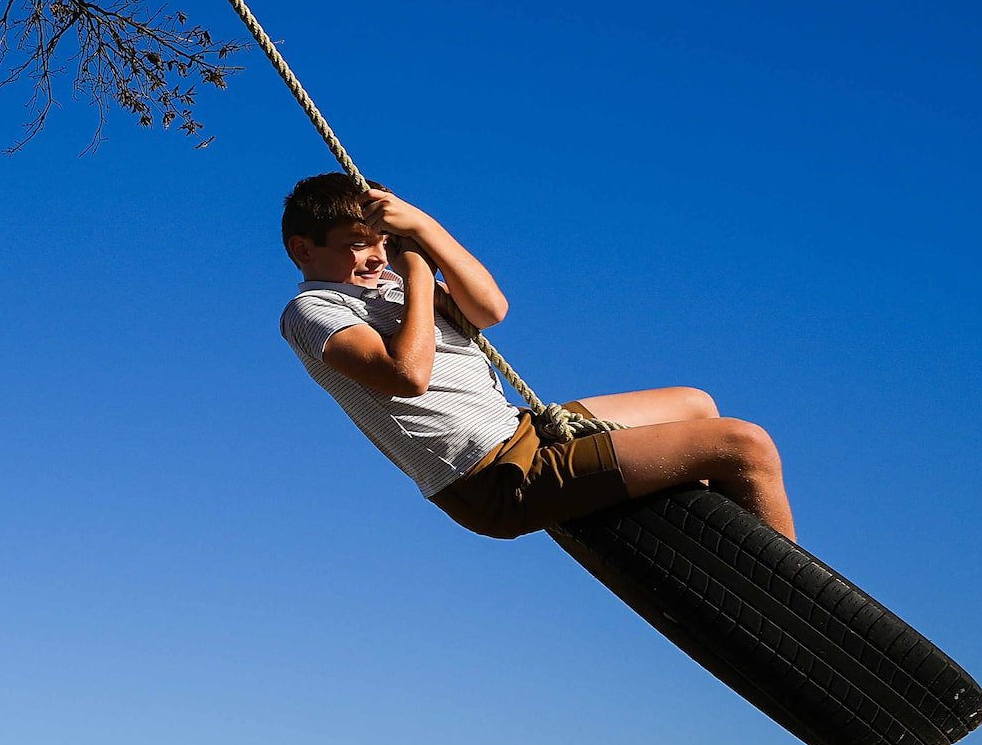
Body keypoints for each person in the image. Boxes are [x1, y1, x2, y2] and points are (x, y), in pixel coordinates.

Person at [278, 173, 795, 540]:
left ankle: (724, 551)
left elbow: (490, 309)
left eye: (383, 243)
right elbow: (407, 376)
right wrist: (417, 273)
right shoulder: (313, 310)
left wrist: (426, 231)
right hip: (489, 478)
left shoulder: (391, 284)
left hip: (520, 431)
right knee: (744, 444)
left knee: (696, 404)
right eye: (357, 244)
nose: (376, 256)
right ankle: (800, 606)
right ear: (304, 250)